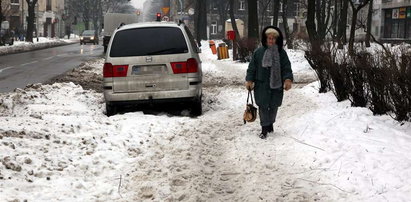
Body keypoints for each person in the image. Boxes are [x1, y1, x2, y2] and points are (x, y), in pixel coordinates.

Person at [245, 26, 293, 139]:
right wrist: (249, 80)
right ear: (265, 39)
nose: (271, 40)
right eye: (269, 38)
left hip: (276, 86)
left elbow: (286, 68)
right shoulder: (258, 52)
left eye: (273, 38)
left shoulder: (281, 53)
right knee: (262, 107)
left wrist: (287, 79)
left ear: (277, 40)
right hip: (261, 84)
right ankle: (264, 129)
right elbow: (252, 68)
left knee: (273, 106)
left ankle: (270, 123)